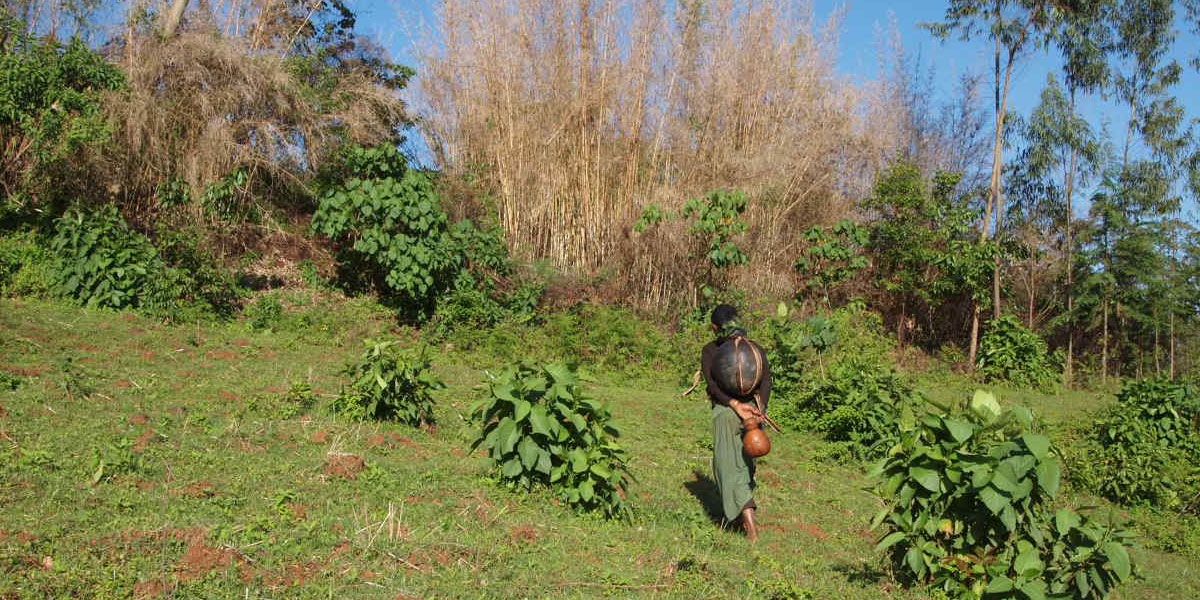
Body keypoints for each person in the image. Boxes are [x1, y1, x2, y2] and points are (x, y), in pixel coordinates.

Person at [700, 304, 771, 541]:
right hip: (752, 411)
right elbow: (766, 381)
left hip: (727, 412)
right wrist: (759, 410)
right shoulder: (755, 349)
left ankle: (750, 528)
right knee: (745, 465)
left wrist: (734, 405)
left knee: (729, 467)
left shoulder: (710, 350)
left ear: (715, 327)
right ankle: (745, 518)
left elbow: (712, 385)